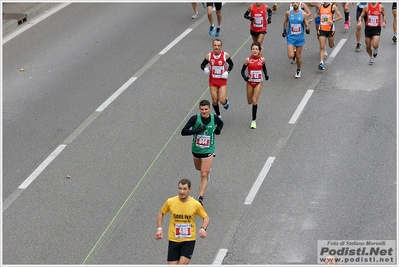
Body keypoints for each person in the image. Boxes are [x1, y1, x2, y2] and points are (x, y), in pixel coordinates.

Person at [155, 178, 209, 265]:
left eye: (184, 189)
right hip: (174, 239)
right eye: (180, 188)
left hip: (189, 240)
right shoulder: (170, 202)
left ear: (190, 190)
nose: (182, 192)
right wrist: (159, 229)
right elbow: (161, 213)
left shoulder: (195, 204)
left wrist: (203, 228)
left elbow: (205, 217)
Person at [181, 100, 223, 205]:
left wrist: (218, 129)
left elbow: (221, 123)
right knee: (198, 168)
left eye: (206, 109)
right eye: (202, 109)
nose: (204, 111)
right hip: (196, 149)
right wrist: (196, 130)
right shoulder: (195, 119)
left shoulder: (214, 118)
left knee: (203, 174)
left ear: (210, 109)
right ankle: (206, 170)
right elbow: (183, 131)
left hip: (209, 149)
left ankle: (200, 198)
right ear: (199, 109)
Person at [200, 38, 234, 119]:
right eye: (215, 45)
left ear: (221, 46)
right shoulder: (209, 56)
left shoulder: (225, 55)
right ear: (212, 46)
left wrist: (227, 72)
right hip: (213, 81)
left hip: (222, 81)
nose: (216, 47)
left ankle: (225, 102)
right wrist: (204, 69)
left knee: (222, 100)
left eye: (218, 46)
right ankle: (218, 115)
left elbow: (231, 64)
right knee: (215, 100)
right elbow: (202, 65)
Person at [240, 41, 269, 129]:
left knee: (254, 100)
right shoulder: (248, 60)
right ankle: (253, 117)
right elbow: (242, 71)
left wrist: (266, 74)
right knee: (249, 101)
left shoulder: (262, 60)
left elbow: (264, 68)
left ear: (259, 50)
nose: (254, 51)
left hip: (258, 82)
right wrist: (245, 77)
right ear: (251, 50)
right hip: (250, 82)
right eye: (253, 49)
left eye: (256, 49)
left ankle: (253, 121)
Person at [309, 2, 342, 70]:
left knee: (331, 45)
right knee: (322, 46)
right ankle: (321, 63)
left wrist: (333, 20)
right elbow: (317, 13)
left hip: (330, 30)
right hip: (322, 29)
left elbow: (340, 16)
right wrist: (312, 19)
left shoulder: (333, 7)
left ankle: (332, 42)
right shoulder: (321, 6)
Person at [282, 2, 311, 78]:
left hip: (299, 38)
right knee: (290, 56)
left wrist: (308, 29)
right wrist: (284, 30)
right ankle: (293, 54)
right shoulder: (288, 13)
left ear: (299, 4)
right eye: (293, 2)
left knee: (298, 56)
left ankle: (298, 70)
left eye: (296, 2)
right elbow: (285, 21)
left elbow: (306, 24)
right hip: (291, 37)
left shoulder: (303, 14)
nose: (295, 4)